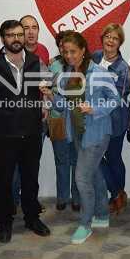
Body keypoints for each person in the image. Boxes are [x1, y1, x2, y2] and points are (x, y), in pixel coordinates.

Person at [41, 32, 119, 244]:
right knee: (94, 174)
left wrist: (95, 109)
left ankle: (85, 224)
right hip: (76, 132)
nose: (69, 56)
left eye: (73, 51)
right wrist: (50, 95)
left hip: (97, 133)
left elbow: (115, 99)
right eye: (65, 52)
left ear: (83, 50)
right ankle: (101, 215)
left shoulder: (99, 72)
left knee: (82, 178)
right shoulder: (68, 73)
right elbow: (64, 105)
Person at [0, 20, 51, 243]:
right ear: (3, 38)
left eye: (19, 34)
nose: (16, 38)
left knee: (31, 178)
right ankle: (5, 222)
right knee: (5, 181)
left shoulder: (36, 61)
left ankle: (32, 218)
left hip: (31, 132)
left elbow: (48, 87)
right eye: (11, 35)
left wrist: (45, 105)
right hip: (3, 133)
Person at [91, 24, 130, 214]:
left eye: (115, 38)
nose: (110, 40)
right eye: (107, 36)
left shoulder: (123, 68)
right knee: (95, 157)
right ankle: (117, 194)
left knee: (114, 157)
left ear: (120, 42)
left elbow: (117, 97)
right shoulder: (95, 57)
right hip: (95, 119)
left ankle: (117, 195)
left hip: (115, 119)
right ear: (102, 38)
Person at [11, 14, 49, 213]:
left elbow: (46, 84)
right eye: (26, 28)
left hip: (36, 120)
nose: (31, 31)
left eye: (34, 27)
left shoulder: (43, 51)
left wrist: (45, 107)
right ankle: (12, 201)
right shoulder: (9, 54)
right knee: (14, 165)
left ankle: (30, 201)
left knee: (32, 165)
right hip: (14, 121)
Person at [48, 30, 80, 211]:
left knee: (77, 160)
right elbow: (49, 90)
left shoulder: (81, 65)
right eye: (61, 46)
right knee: (61, 160)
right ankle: (62, 197)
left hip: (76, 119)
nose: (64, 49)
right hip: (57, 119)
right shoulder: (53, 65)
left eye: (68, 46)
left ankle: (76, 198)